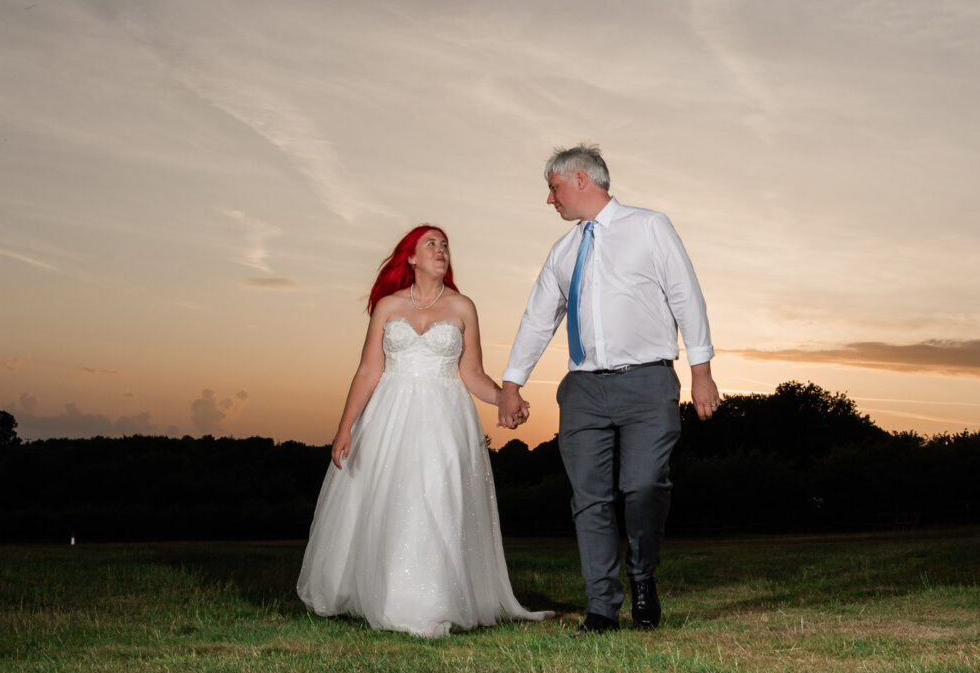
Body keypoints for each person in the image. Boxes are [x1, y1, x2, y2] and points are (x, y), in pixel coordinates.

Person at [498, 145, 719, 634]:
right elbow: (539, 318)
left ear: (580, 180)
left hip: (647, 381)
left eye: (553, 188)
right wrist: (512, 383)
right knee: (589, 499)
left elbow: (686, 292)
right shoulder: (564, 250)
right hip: (582, 390)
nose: (549, 200)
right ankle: (602, 607)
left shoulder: (649, 227)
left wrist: (701, 368)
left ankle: (643, 575)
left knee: (644, 485)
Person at [297, 224, 552, 638]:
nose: (441, 249)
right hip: (389, 418)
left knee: (436, 497)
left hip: (444, 419)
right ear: (411, 258)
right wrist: (345, 428)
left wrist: (506, 399)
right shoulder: (388, 307)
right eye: (430, 243)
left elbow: (471, 375)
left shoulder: (463, 307)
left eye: (445, 245)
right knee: (390, 499)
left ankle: (433, 599)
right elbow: (368, 370)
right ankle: (383, 593)